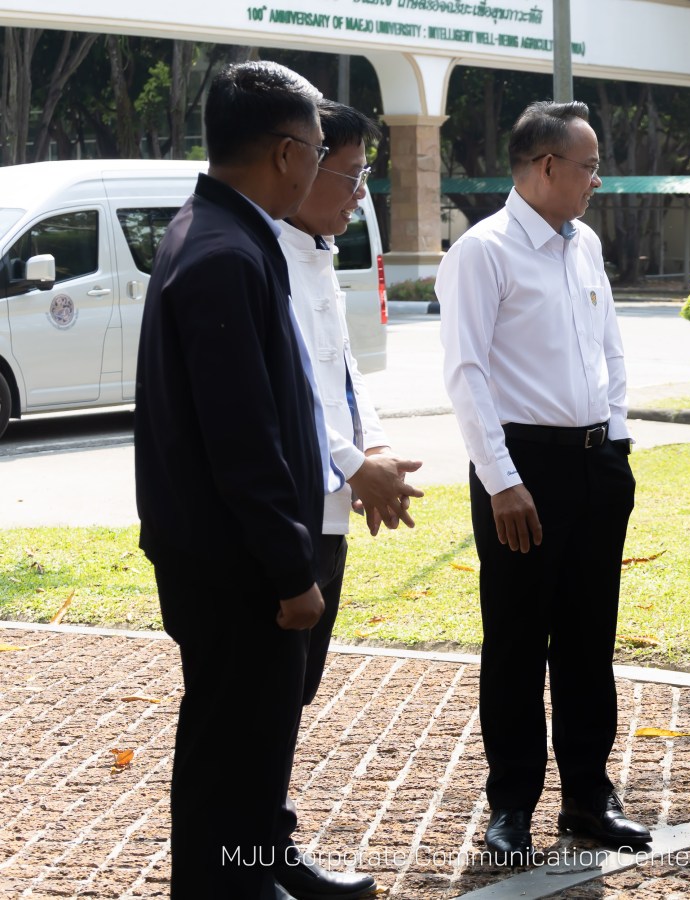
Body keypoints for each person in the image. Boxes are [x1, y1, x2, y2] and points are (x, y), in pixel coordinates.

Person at [437, 99, 650, 865]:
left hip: (596, 463)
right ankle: (511, 807)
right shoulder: (484, 252)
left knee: (590, 641)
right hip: (521, 470)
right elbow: (465, 374)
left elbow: (611, 352)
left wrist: (617, 444)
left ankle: (589, 799)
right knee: (519, 644)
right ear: (547, 166)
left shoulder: (583, 244)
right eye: (589, 165)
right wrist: (501, 480)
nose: (598, 179)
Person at [134, 61, 329, 900]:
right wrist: (291, 570)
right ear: (286, 152)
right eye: (319, 150)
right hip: (232, 562)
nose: (322, 168)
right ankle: (229, 887)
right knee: (229, 741)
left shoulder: (225, 233)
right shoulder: (222, 251)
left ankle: (260, 866)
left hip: (227, 550)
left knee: (251, 739)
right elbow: (241, 440)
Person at [274, 99, 424, 900]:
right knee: (260, 703)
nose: (360, 193)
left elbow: (340, 376)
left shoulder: (316, 251)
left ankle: (267, 847)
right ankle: (253, 859)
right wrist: (349, 466)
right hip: (284, 508)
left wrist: (370, 452)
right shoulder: (260, 255)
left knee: (292, 691)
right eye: (355, 173)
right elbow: (282, 396)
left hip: (324, 503)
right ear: (296, 163)